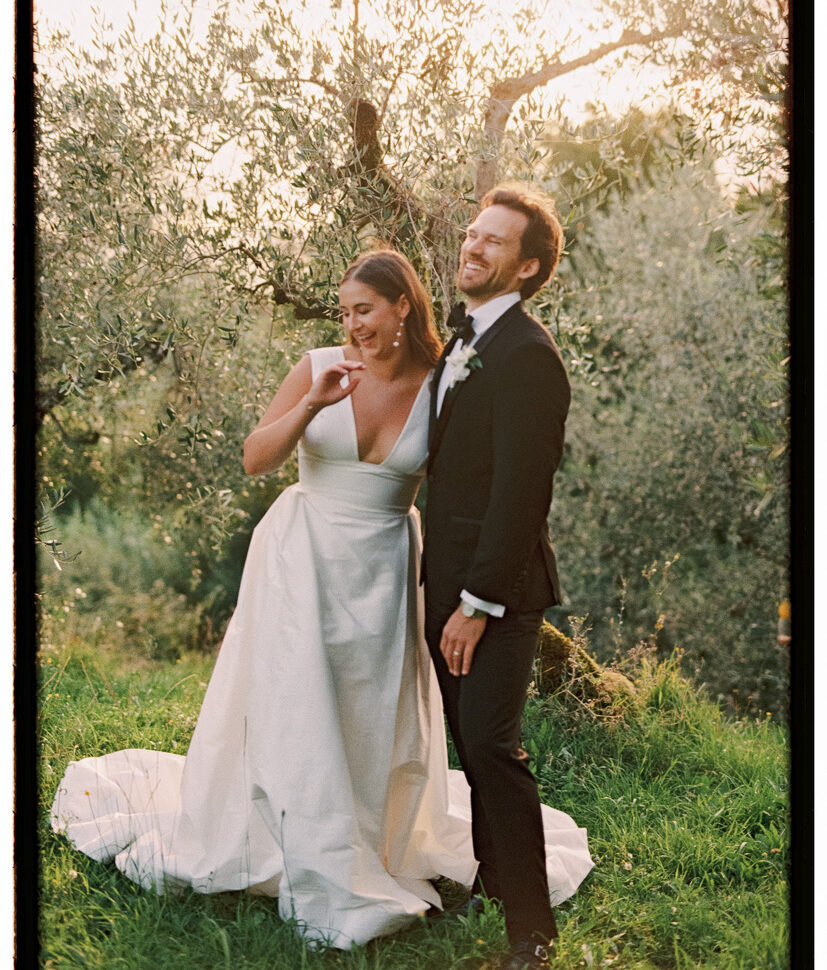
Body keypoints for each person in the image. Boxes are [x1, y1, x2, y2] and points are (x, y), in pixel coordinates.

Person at [51, 250, 592, 952]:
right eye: (344, 312)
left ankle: (365, 839)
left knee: (367, 714)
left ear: (402, 306)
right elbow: (256, 458)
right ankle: (289, 838)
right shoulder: (317, 366)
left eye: (363, 310)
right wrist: (314, 402)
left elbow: (480, 475)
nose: (352, 325)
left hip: (385, 566)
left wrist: (482, 584)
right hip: (301, 557)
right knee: (292, 704)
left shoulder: (443, 383)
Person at [424, 185, 573, 970]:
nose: (471, 246)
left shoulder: (526, 355)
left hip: (498, 593)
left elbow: (521, 493)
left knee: (490, 745)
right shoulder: (466, 338)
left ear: (527, 267)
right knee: (468, 744)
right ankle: (490, 881)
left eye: (492, 240)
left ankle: (531, 934)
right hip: (443, 580)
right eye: (471, 233)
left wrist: (477, 603)